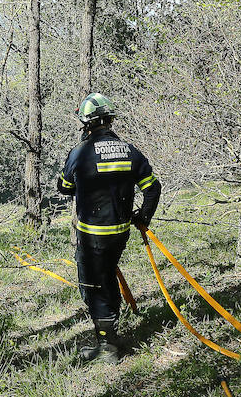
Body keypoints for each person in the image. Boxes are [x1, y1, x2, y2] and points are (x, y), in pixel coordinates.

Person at [57, 93, 162, 362]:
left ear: (86, 124)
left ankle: (107, 346)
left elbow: (64, 187)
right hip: (120, 233)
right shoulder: (130, 150)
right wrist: (143, 217)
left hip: (92, 235)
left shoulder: (80, 152)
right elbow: (152, 188)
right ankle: (112, 334)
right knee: (107, 278)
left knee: (93, 286)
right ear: (110, 120)